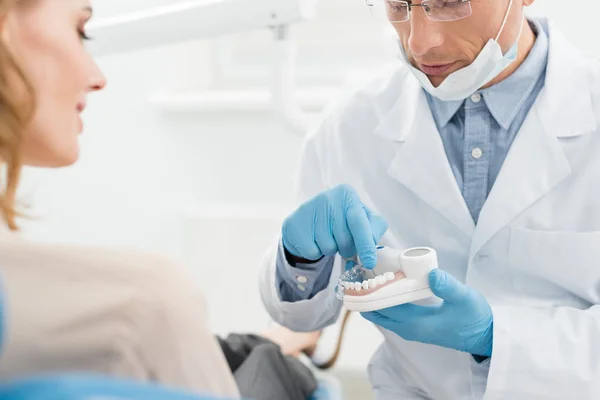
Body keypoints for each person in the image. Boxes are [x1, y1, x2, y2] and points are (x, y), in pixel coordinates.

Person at [260, 0, 600, 398]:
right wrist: (300, 259)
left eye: (449, 3)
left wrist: (497, 337)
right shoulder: (350, 123)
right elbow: (301, 317)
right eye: (397, 6)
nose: (419, 43)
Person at [0, 1, 340, 400]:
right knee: (274, 368)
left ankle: (275, 342)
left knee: (253, 351)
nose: (97, 76)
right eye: (81, 31)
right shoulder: (143, 299)